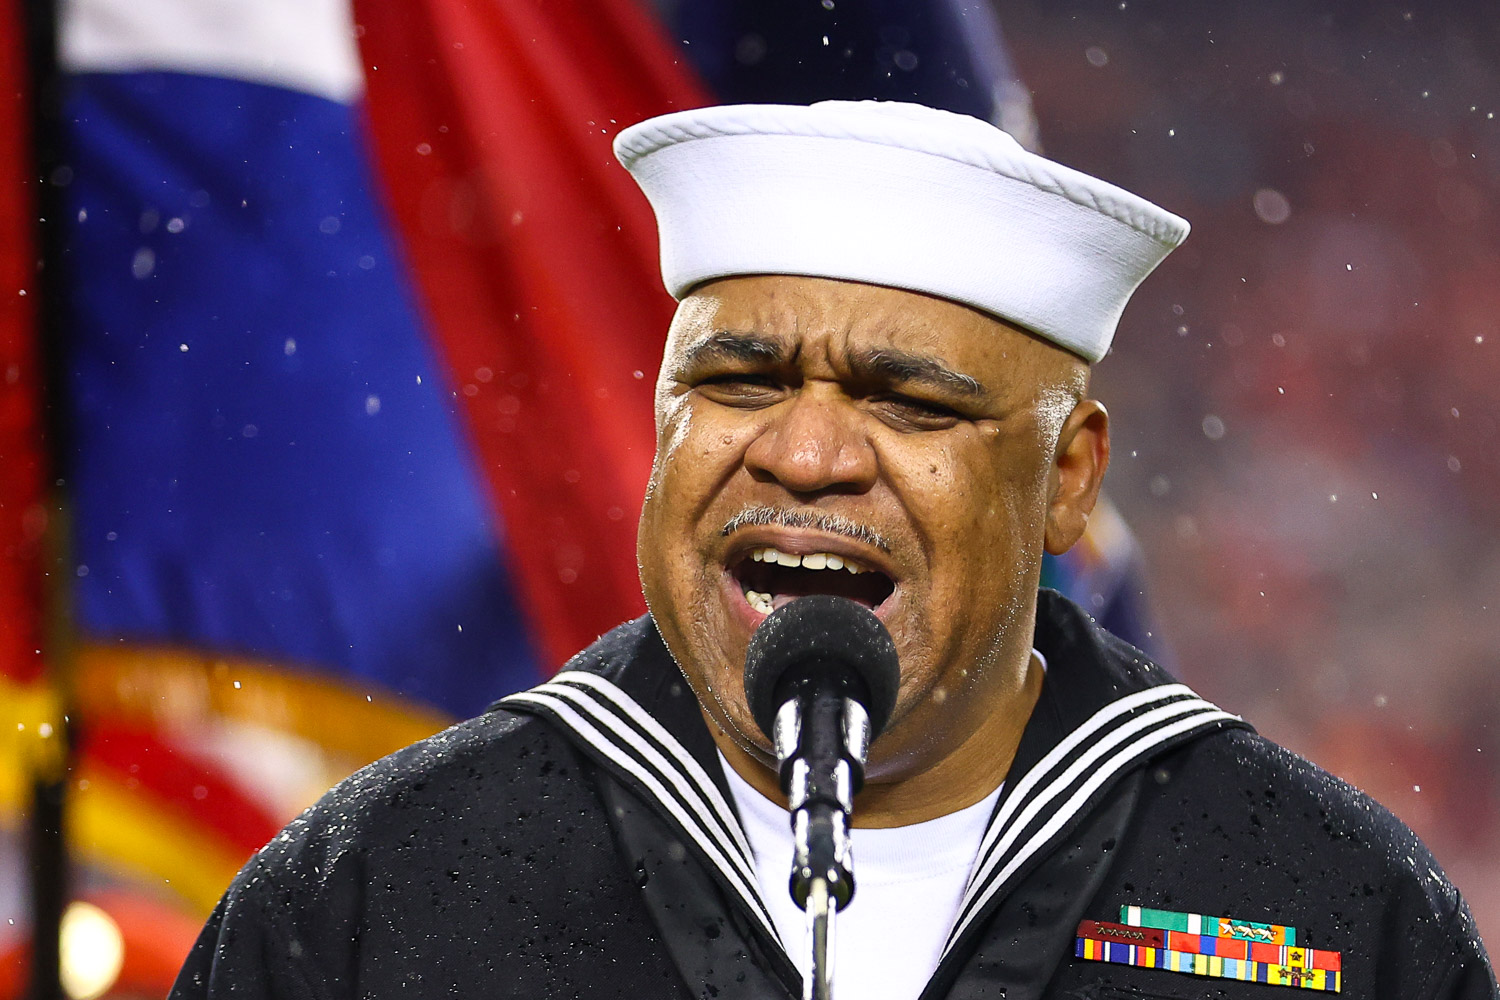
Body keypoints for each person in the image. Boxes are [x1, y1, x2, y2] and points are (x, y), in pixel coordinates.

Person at [171, 101, 1497, 1000]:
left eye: (912, 403)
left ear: (1070, 479)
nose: (804, 457)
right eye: (739, 382)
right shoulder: (377, 894)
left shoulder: (1319, 909)